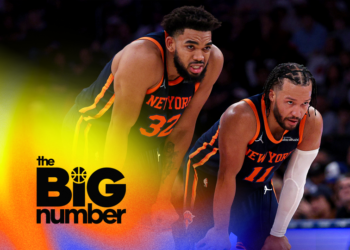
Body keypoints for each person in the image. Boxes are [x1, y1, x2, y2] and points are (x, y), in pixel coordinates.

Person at [62, 6, 223, 249]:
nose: (200, 56)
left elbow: (183, 129)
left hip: (146, 139)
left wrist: (162, 197)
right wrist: (109, 193)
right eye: (190, 46)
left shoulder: (213, 62)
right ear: (170, 44)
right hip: (95, 128)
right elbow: (118, 130)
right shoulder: (142, 59)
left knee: (160, 211)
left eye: (206, 47)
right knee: (95, 212)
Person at [183, 63, 323, 250]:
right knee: (206, 244)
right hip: (209, 178)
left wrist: (278, 234)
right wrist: (220, 230)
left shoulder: (312, 121)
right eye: (290, 102)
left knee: (272, 245)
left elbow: (296, 179)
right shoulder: (242, 116)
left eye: (304, 103)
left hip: (256, 183)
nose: (297, 112)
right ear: (272, 95)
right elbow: (227, 175)